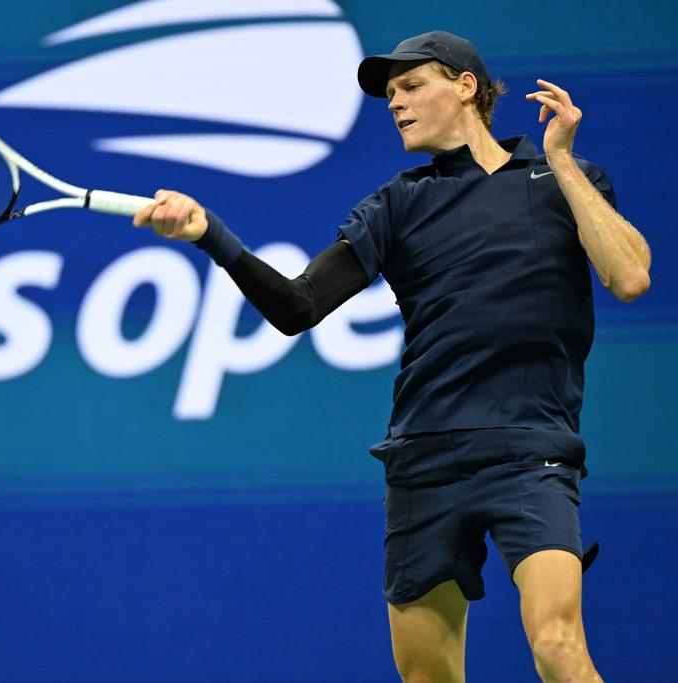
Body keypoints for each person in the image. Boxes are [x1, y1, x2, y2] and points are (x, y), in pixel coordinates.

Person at [133, 31, 651, 682]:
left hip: (530, 452)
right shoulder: (395, 205)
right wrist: (211, 234)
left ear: (466, 86)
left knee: (557, 643)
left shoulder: (561, 180)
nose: (395, 103)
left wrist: (563, 161)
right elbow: (297, 306)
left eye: (411, 86)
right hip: (424, 461)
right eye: (389, 95)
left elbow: (630, 276)